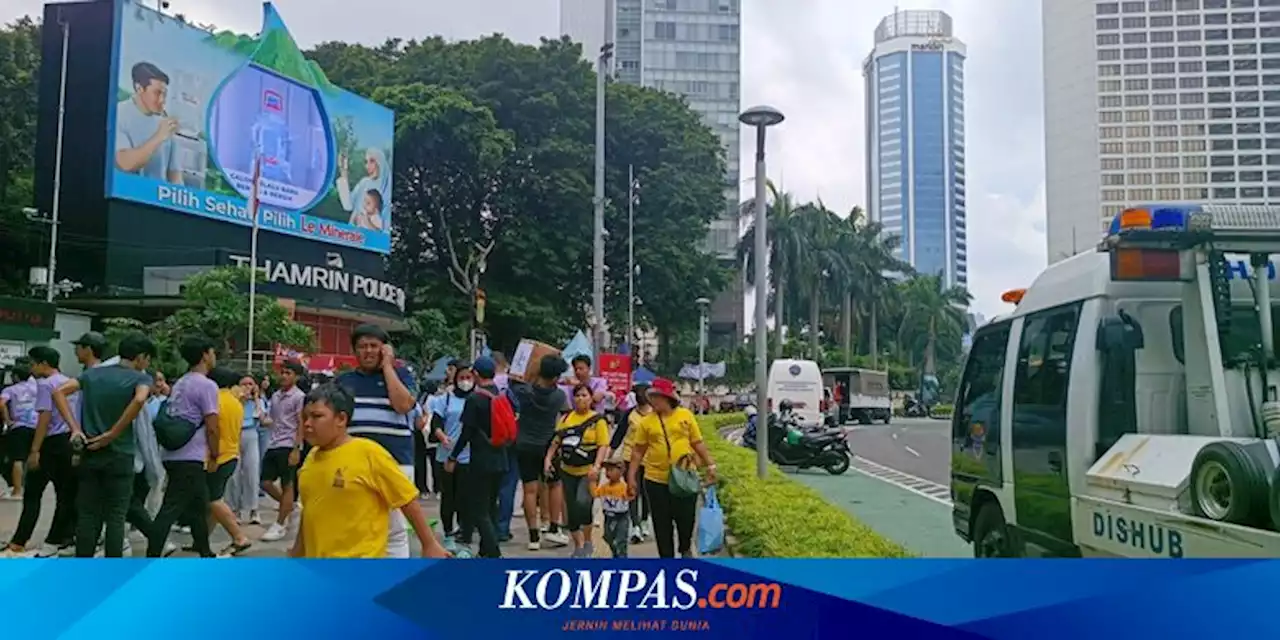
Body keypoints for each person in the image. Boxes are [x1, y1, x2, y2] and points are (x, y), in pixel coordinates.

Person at [289, 384, 449, 559]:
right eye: (305, 417)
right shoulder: (310, 459)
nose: (307, 424)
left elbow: (407, 500)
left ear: (341, 419)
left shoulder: (369, 454)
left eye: (316, 416)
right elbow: (309, 514)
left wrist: (430, 544)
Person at [48, 332, 154, 557]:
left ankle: (85, 565)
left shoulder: (92, 375)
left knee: (88, 513)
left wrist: (75, 427)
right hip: (120, 454)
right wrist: (113, 433)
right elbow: (139, 399)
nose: (147, 364)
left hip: (89, 452)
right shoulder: (140, 378)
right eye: (147, 359)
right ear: (140, 357)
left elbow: (58, 392)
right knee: (116, 515)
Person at [335, 324, 418, 558]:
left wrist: (388, 367)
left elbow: (403, 405)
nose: (368, 351)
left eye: (374, 346)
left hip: (396, 462)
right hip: (355, 463)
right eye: (362, 346)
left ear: (385, 349)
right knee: (355, 525)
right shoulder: (344, 381)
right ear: (354, 351)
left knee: (395, 529)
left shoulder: (402, 375)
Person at [2, 346, 82, 557]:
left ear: (44, 364)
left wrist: (35, 450)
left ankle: (19, 541)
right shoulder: (71, 382)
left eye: (33, 363)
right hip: (69, 441)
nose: (31, 368)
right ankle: (61, 538)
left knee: (33, 493)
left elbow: (44, 419)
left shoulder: (46, 385)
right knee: (65, 494)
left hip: (50, 443)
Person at [627, 377, 718, 559]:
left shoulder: (685, 416)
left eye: (656, 397)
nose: (652, 401)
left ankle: (685, 548)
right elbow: (637, 452)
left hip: (685, 476)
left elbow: (697, 442)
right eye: (651, 397)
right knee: (661, 524)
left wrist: (710, 464)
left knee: (686, 519)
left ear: (667, 398)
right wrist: (631, 478)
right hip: (655, 480)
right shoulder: (646, 422)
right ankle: (666, 561)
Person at [147, 335, 220, 558]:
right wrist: (215, 454)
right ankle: (151, 556)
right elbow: (212, 426)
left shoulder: (181, 382)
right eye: (213, 352)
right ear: (206, 355)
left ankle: (205, 551)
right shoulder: (206, 385)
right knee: (171, 508)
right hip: (191, 456)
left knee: (199, 506)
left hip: (172, 452)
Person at [446, 356, 510, 558]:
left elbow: (467, 433)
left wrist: (453, 456)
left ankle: (493, 552)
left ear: (475, 374)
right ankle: (484, 550)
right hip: (501, 458)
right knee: (491, 506)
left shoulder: (475, 399)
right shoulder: (500, 395)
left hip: (481, 461)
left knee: (478, 510)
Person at [509, 354, 569, 551]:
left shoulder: (524, 392)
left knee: (529, 489)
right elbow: (565, 414)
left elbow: (517, 380)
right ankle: (553, 526)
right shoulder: (559, 395)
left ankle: (533, 536)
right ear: (555, 377)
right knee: (554, 485)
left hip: (525, 444)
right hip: (548, 446)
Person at [545, 383, 610, 558]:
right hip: (567, 470)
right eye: (578, 396)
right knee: (572, 510)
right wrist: (548, 459)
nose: (581, 399)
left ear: (591, 399)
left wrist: (597, 466)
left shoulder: (598, 420)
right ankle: (579, 546)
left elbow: (603, 446)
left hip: (587, 472)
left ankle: (588, 540)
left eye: (584, 395)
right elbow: (556, 441)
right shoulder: (566, 419)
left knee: (583, 503)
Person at [260, 360, 306, 543]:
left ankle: (280, 523)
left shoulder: (299, 397)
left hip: (288, 444)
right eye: (283, 372)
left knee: (288, 484)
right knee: (265, 482)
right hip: (273, 443)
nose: (284, 376)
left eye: (288, 373)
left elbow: (301, 423)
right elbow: (272, 419)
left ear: (296, 376)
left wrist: (297, 448)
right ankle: (290, 507)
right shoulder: (276, 396)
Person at [207, 367, 252, 556]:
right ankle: (201, 538)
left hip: (218, 455)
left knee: (214, 499)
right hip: (232, 453)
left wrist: (213, 456)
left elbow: (212, 430)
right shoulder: (235, 402)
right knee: (213, 499)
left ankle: (239, 537)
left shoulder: (214, 401)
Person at [114, 61, 180, 183]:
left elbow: (175, 175)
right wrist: (159, 136)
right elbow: (125, 164)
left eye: (164, 94)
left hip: (159, 199)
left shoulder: (165, 122)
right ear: (139, 88)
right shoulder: (119, 114)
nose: (162, 100)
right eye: (157, 93)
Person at [430, 362, 472, 540]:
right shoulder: (444, 399)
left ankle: (463, 530)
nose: (465, 382)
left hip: (468, 456)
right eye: (461, 378)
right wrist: (442, 436)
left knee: (465, 496)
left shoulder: (476, 398)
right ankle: (448, 529)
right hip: (446, 455)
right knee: (448, 496)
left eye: (468, 378)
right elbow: (435, 424)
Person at [613, 382, 653, 543]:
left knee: (647, 492)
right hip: (630, 458)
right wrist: (608, 456)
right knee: (632, 490)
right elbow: (618, 435)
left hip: (650, 459)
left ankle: (644, 521)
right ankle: (635, 525)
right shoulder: (629, 414)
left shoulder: (655, 415)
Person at [228, 375, 265, 525]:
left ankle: (253, 509)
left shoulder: (258, 401)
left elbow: (261, 416)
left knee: (252, 471)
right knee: (234, 474)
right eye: (244, 384)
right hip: (235, 434)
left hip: (251, 434)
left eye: (250, 384)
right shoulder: (233, 401)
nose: (247, 387)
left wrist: (255, 397)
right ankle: (234, 509)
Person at [0, 356, 37, 501]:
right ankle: (29, 488)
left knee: (18, 459)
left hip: (19, 426)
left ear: (15, 376)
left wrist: (8, 420)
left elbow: (1, 404)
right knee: (31, 457)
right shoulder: (36, 387)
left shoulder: (11, 389)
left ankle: (16, 491)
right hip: (36, 425)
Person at [335, 148, 391, 232]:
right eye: (366, 161)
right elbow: (348, 205)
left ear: (380, 163)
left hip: (371, 242)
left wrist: (367, 221)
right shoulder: (364, 182)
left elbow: (384, 229)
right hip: (352, 236)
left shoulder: (387, 188)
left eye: (372, 161)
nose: (367, 165)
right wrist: (343, 170)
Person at [591, 460, 632, 558]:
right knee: (608, 536)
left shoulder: (623, 487)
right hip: (608, 516)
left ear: (621, 471)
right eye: (606, 470)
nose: (608, 473)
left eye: (611, 470)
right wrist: (592, 481)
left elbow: (630, 496)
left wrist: (630, 492)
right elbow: (595, 494)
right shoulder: (605, 487)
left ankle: (622, 558)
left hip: (621, 517)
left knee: (621, 539)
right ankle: (615, 552)